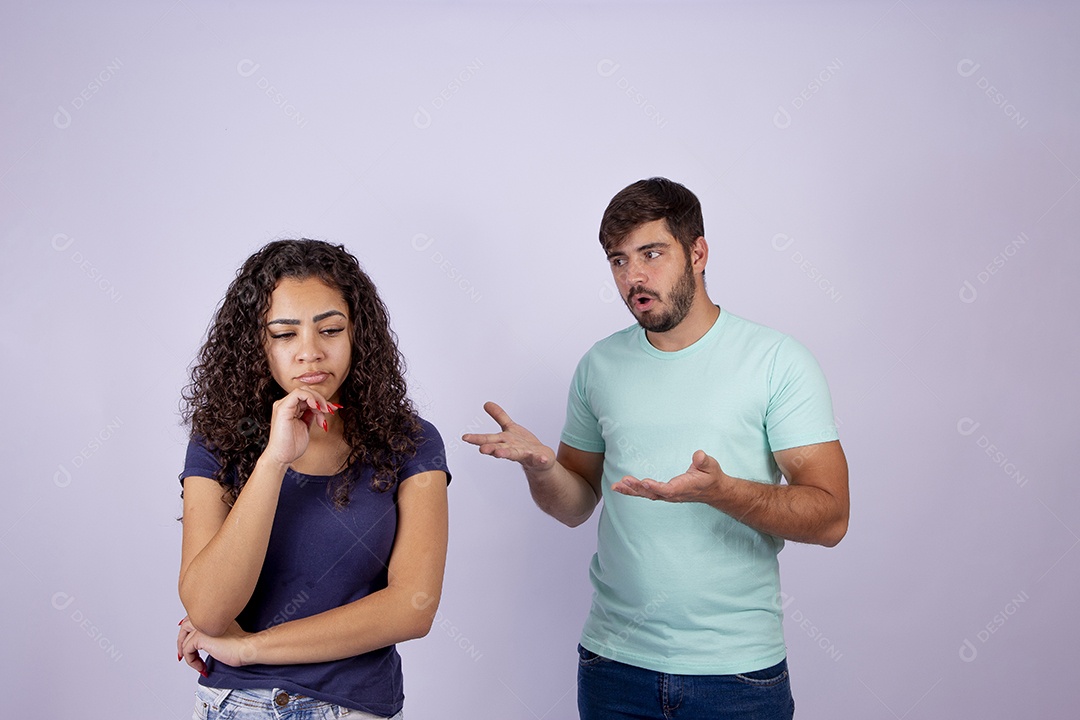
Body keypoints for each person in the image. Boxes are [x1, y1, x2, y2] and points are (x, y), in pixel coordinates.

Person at [463, 178, 848, 720]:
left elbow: (831, 518)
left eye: (652, 254)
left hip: (736, 676)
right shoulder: (598, 366)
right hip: (612, 667)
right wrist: (544, 467)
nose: (633, 277)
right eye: (618, 261)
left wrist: (723, 492)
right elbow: (574, 506)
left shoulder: (777, 361)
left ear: (698, 252)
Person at [176, 239, 450, 720]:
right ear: (256, 343)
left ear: (357, 335)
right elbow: (209, 611)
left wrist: (253, 648)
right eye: (284, 334)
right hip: (235, 706)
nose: (310, 353)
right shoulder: (218, 439)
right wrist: (274, 460)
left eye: (330, 329)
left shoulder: (411, 442)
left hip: (354, 707)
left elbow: (413, 606)